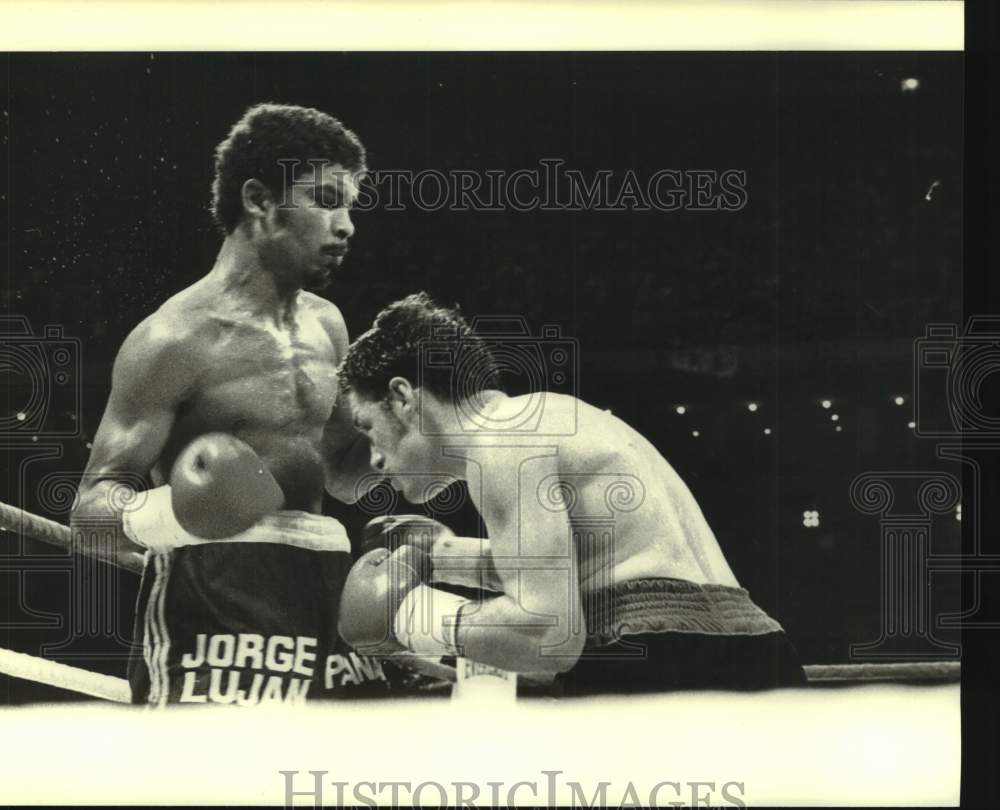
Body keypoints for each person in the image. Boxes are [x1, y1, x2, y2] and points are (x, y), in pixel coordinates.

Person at [70, 103, 389, 706]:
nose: (346, 225)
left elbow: (343, 475)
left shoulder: (330, 326)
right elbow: (89, 514)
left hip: (325, 581)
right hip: (216, 594)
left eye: (350, 205)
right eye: (325, 199)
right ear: (259, 200)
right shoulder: (175, 339)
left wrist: (411, 450)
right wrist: (180, 511)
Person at [336, 293, 807, 695]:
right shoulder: (549, 416)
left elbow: (548, 635)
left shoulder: (499, 441)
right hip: (760, 650)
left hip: (660, 662)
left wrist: (408, 616)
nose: (375, 460)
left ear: (402, 398)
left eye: (368, 428)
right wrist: (443, 557)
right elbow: (587, 567)